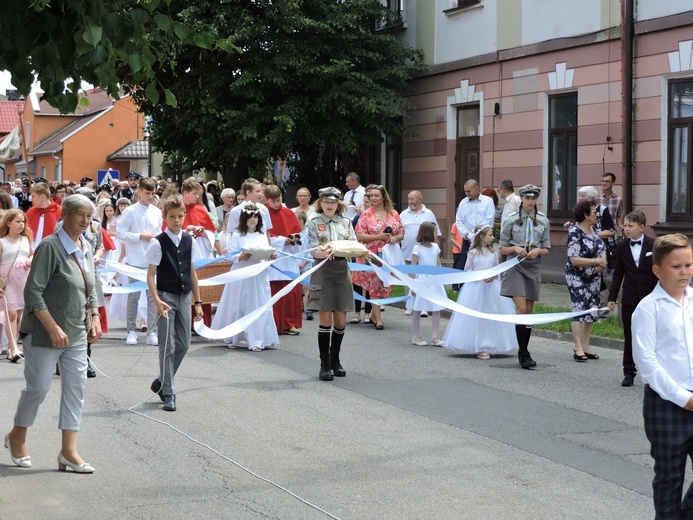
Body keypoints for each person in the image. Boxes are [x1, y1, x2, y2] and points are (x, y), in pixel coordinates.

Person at [5, 194, 102, 473]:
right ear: (66, 215)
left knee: (76, 388)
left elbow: (91, 286)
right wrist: (52, 326)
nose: (85, 221)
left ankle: (68, 452)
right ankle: (17, 437)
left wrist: (94, 316)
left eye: (89, 216)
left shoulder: (87, 243)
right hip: (44, 331)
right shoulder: (50, 246)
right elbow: (32, 292)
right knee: (38, 388)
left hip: (77, 331)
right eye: (80, 215)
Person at [632, 233, 693, 519]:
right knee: (670, 478)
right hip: (666, 405)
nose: (684, 272)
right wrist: (683, 399)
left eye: (689, 265)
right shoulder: (648, 309)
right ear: (658, 270)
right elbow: (648, 364)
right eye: (676, 266)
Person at [145, 197, 203, 412]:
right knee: (166, 346)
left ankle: (162, 380)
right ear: (165, 217)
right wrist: (157, 300)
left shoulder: (190, 240)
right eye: (172, 217)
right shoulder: (157, 242)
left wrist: (198, 302)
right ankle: (169, 392)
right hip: (166, 297)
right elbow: (150, 276)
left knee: (184, 344)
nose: (177, 220)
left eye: (180, 216)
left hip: (185, 296)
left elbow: (192, 272)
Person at [306, 187, 357, 381]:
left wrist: (359, 252)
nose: (330, 205)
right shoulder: (314, 223)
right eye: (326, 202)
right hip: (323, 271)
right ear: (321, 203)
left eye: (333, 202)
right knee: (325, 320)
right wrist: (326, 253)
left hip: (341, 271)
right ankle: (324, 364)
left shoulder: (346, 222)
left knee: (341, 321)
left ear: (338, 204)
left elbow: (352, 245)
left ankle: (336, 360)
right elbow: (312, 250)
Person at [443, 225, 518, 358]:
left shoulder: (493, 253)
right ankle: (480, 346)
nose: (493, 238)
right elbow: (468, 270)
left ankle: (491, 344)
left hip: (491, 287)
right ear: (482, 237)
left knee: (491, 314)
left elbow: (496, 269)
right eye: (490, 235)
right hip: (475, 288)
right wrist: (480, 277)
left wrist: (492, 277)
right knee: (477, 316)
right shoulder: (473, 253)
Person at [211, 204, 278, 351]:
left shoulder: (261, 235)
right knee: (238, 303)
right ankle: (234, 336)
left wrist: (271, 255)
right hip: (242, 273)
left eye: (255, 217)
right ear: (244, 219)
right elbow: (231, 256)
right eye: (250, 217)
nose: (253, 220)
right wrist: (241, 256)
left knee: (258, 304)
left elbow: (266, 251)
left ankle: (257, 339)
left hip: (258, 274)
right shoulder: (237, 235)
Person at [499, 184, 551, 369]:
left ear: (537, 199)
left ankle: (524, 349)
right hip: (515, 265)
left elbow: (546, 248)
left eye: (533, 198)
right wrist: (515, 248)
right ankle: (524, 352)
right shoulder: (512, 220)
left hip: (532, 266)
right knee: (520, 310)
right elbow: (502, 247)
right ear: (522, 199)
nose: (530, 201)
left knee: (528, 313)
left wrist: (538, 250)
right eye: (527, 198)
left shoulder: (543, 220)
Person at [607, 210, 657, 387]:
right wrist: (612, 297)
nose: (625, 229)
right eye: (624, 225)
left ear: (642, 227)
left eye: (630, 226)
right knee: (630, 335)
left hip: (650, 297)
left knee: (651, 335)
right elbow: (618, 274)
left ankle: (652, 373)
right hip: (629, 297)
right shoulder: (621, 247)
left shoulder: (653, 245)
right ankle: (628, 371)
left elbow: (658, 273)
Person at [116, 177, 163, 346]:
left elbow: (158, 233)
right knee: (133, 296)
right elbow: (120, 232)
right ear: (140, 191)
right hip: (135, 259)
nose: (150, 196)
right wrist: (140, 236)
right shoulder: (130, 211)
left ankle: (152, 331)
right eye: (147, 193)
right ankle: (131, 330)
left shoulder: (157, 212)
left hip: (151, 260)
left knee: (153, 297)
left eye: (153, 193)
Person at [352, 185, 404, 330]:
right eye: (371, 196)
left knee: (384, 285)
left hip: (388, 254)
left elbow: (401, 232)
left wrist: (396, 238)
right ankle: (378, 319)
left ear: (383, 197)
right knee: (375, 284)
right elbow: (359, 235)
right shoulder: (366, 214)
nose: (373, 198)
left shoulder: (393, 213)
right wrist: (378, 236)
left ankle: (375, 314)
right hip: (371, 255)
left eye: (376, 195)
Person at [565, 199, 607, 361]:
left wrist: (602, 262)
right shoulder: (574, 232)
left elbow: (601, 248)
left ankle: (586, 346)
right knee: (579, 309)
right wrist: (595, 262)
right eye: (594, 212)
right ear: (585, 214)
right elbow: (574, 259)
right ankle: (578, 348)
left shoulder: (593, 228)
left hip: (594, 276)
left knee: (591, 310)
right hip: (577, 276)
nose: (597, 214)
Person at [265, 185, 303, 336]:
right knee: (274, 291)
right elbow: (264, 236)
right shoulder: (263, 213)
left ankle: (289, 323)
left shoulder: (288, 212)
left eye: (279, 200)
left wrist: (293, 239)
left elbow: (298, 233)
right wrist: (282, 240)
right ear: (267, 200)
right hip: (274, 258)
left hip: (288, 258)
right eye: (273, 201)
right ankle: (273, 323)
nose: (277, 204)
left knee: (290, 293)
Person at [400, 190, 441, 316]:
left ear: (420, 200)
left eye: (413, 199)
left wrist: (435, 251)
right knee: (410, 278)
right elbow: (399, 231)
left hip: (426, 255)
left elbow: (437, 233)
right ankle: (410, 305)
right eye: (409, 199)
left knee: (424, 280)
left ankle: (424, 305)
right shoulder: (403, 214)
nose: (410, 201)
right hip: (408, 252)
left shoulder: (429, 213)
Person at [0, 210, 34, 362]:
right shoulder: (2, 241)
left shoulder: (25, 239)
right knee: (11, 314)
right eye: (18, 221)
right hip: (7, 281)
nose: (21, 224)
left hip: (23, 279)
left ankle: (11, 347)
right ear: (8, 223)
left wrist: (30, 260)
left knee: (19, 314)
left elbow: (32, 253)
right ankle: (13, 347)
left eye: (23, 222)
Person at [408, 222, 446, 347]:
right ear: (428, 233)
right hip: (422, 280)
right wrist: (412, 285)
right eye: (435, 231)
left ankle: (435, 336)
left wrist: (441, 278)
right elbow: (413, 268)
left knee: (436, 309)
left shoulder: (435, 247)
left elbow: (438, 264)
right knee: (418, 308)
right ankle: (416, 335)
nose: (436, 234)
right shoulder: (417, 248)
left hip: (434, 280)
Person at [455, 179, 495, 274]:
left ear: (477, 189)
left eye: (469, 191)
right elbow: (459, 220)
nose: (467, 193)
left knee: (486, 264)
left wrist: (477, 234)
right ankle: (463, 287)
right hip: (467, 240)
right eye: (465, 191)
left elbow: (489, 219)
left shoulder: (487, 201)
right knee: (465, 265)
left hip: (484, 240)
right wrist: (467, 235)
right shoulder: (463, 203)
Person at [351, 191, 372, 324]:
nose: (364, 204)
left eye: (366, 202)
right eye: (364, 201)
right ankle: (357, 313)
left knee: (371, 284)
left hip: (373, 254)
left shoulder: (378, 217)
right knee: (357, 283)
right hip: (359, 252)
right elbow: (353, 234)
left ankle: (368, 313)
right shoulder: (358, 216)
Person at [25, 182, 62, 248]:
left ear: (42, 196)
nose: (31, 199)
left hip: (51, 248)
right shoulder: (30, 212)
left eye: (33, 196)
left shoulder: (60, 211)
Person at [597, 172, 625, 237]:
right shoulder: (596, 198)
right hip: (597, 231)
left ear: (613, 183)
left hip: (611, 232)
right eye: (603, 181)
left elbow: (619, 216)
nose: (604, 183)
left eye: (607, 181)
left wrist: (620, 225)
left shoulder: (618, 199)